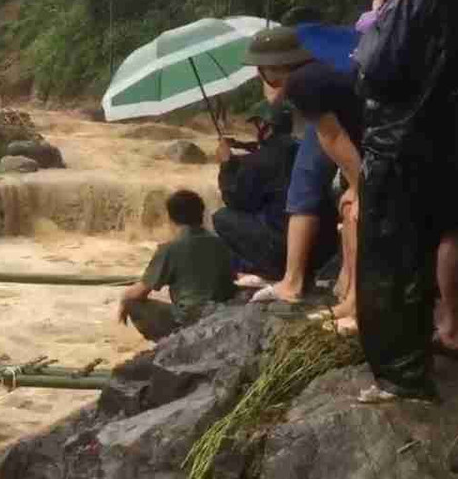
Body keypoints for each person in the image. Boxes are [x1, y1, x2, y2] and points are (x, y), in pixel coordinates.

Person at [354, 0, 458, 403]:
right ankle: (416, 360)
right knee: (421, 258)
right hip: (448, 152)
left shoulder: (409, 0)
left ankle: (399, 374)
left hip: (396, 154)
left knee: (389, 266)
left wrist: (375, 24)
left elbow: (373, 71)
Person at [240, 27, 339, 305]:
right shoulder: (320, 70)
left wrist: (358, 181)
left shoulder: (302, 82)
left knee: (302, 197)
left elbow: (332, 135)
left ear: (273, 68)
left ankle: (292, 282)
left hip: (339, 133)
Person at [282, 59, 364, 335]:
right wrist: (354, 187)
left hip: (382, 152)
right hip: (364, 150)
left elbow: (332, 137)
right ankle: (351, 300)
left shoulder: (305, 85)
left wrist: (361, 187)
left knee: (359, 217)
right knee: (350, 215)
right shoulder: (316, 77)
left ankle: (360, 306)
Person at [117, 189, 235, 341]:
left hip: (188, 321)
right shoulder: (221, 243)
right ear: (201, 214)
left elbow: (140, 292)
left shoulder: (170, 249)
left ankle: (170, 343)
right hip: (221, 317)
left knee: (132, 302)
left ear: (170, 218)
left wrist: (124, 300)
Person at [212, 103, 298, 281]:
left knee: (222, 216)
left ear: (268, 128)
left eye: (258, 126)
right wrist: (239, 146)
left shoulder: (257, 163)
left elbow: (235, 201)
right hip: (310, 242)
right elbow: (267, 155)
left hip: (281, 247)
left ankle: (254, 268)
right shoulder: (300, 149)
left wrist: (227, 165)